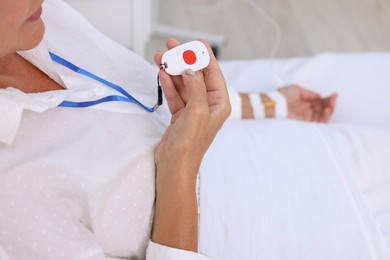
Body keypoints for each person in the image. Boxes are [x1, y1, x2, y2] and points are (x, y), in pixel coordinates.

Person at [0, 0, 336, 259]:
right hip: (268, 232)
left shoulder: (43, 18)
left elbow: (142, 101)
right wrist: (179, 166)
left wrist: (268, 105)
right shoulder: (11, 198)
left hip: (269, 152)